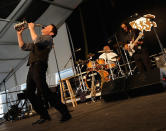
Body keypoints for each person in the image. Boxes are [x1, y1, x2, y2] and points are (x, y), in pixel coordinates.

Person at [16, 23, 71, 124]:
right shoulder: (39, 39)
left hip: (39, 65)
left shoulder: (48, 39)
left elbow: (36, 40)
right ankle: (44, 115)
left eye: (47, 27)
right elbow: (22, 46)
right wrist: (19, 34)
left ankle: (65, 112)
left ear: (51, 32)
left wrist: (31, 28)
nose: (44, 27)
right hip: (32, 67)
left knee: (44, 91)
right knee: (29, 92)